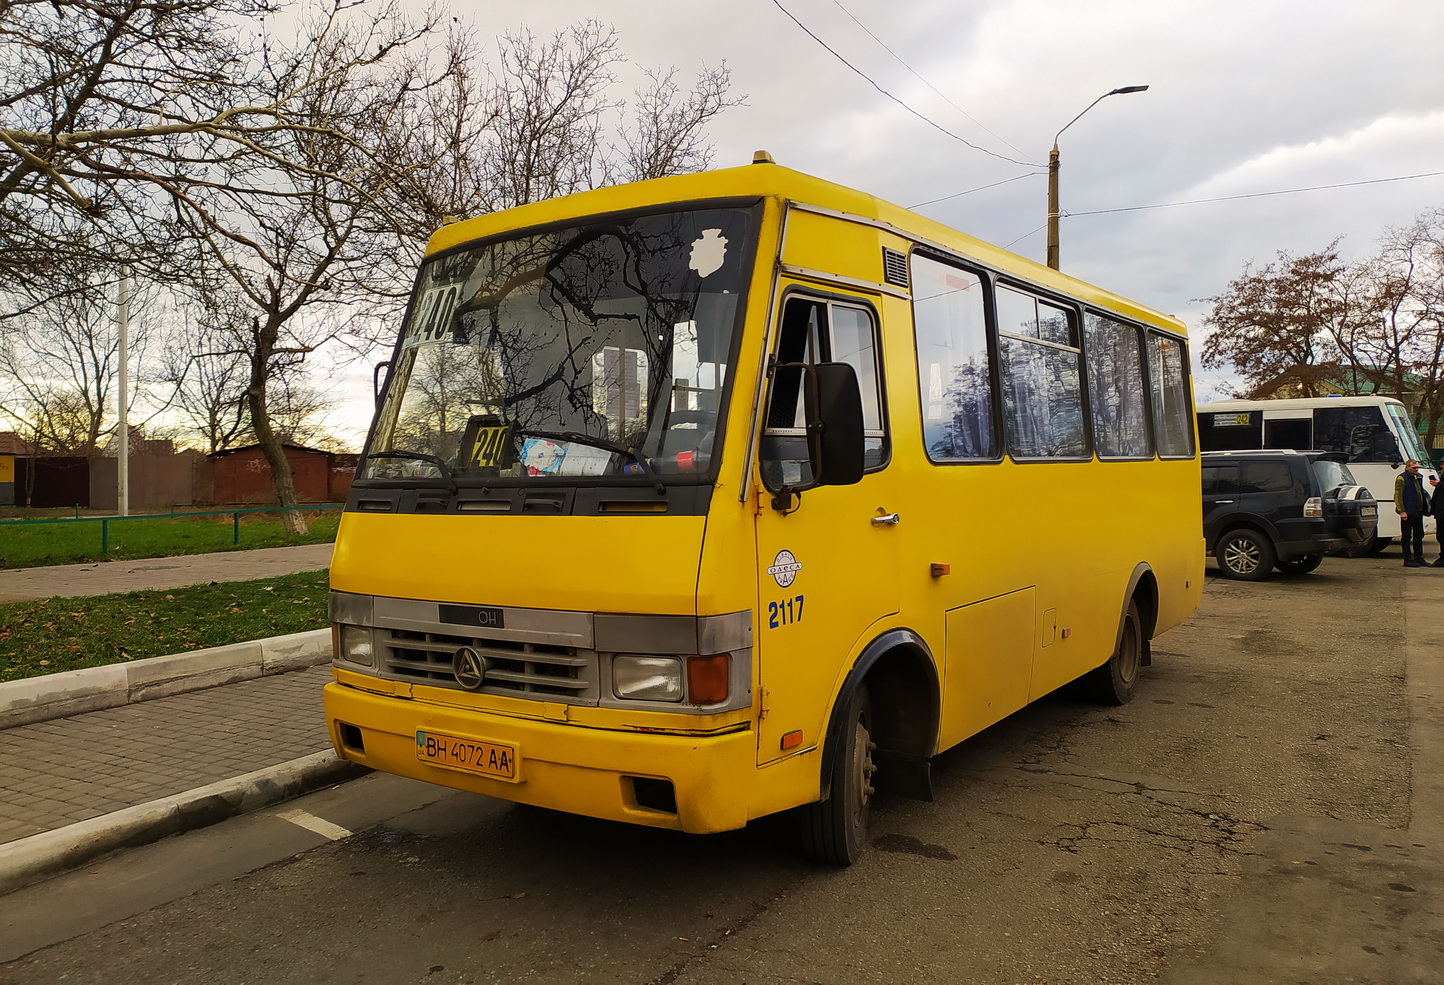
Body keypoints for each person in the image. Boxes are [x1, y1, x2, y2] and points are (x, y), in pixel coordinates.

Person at [1394, 459, 1429, 567]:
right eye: (1414, 468)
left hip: (1418, 511)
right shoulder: (1402, 478)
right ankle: (1407, 559)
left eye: (1417, 467)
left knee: (1419, 535)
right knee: (1406, 536)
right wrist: (1402, 511)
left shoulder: (1418, 477)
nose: (1416, 469)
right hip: (1408, 511)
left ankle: (1419, 557)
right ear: (1407, 467)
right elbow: (1398, 496)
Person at [1431, 472, 1444, 567]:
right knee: (1440, 536)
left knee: (1442, 536)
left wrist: (1439, 484)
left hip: (1442, 513)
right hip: (1440, 513)